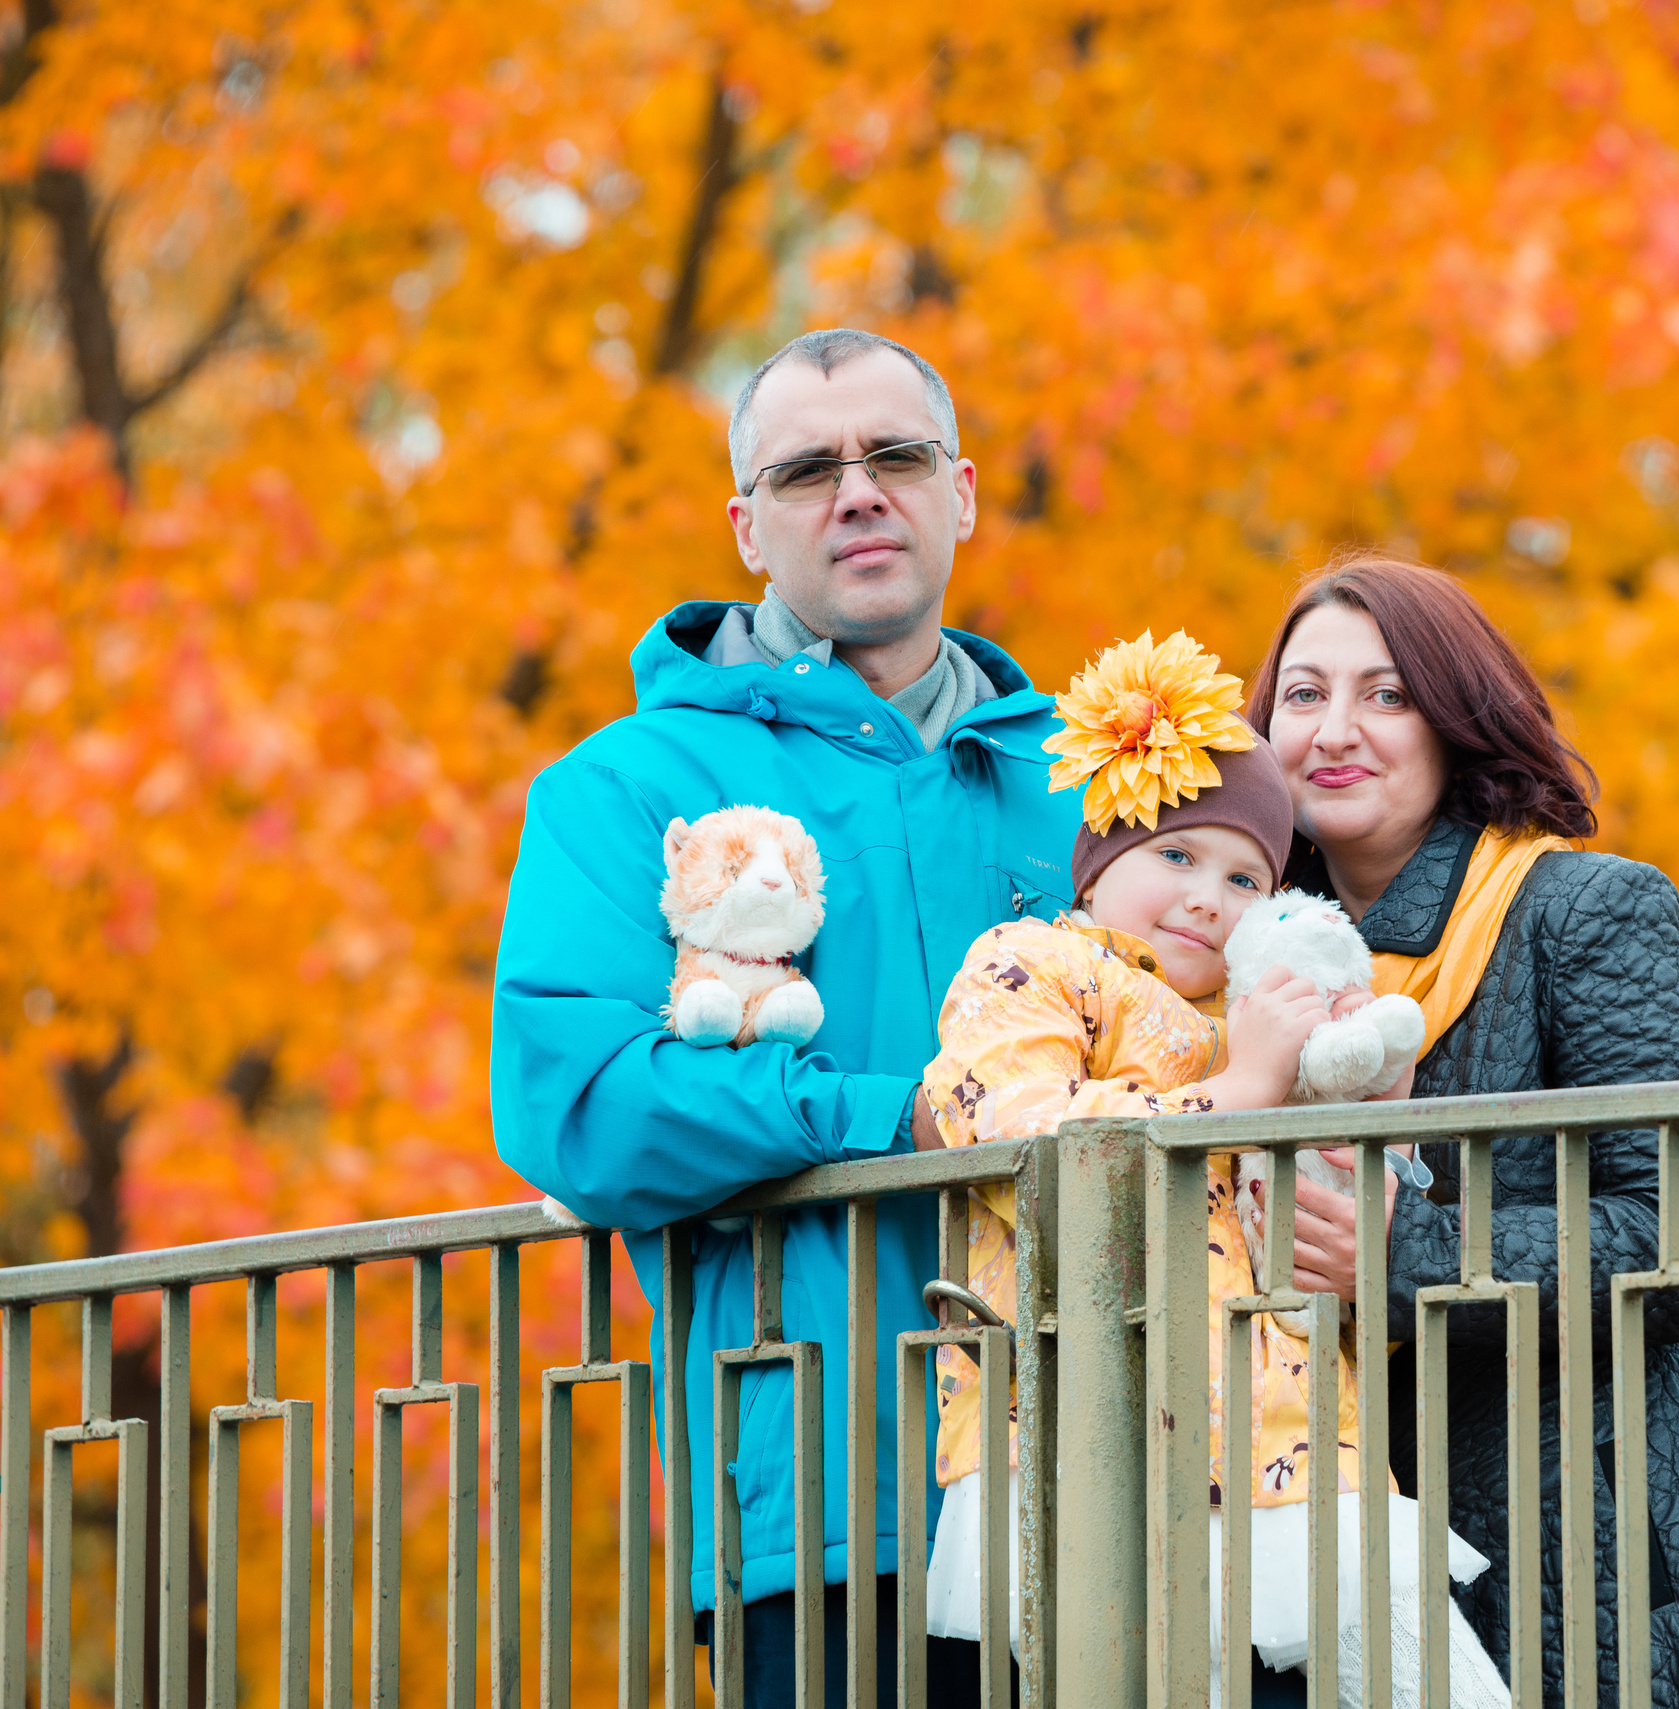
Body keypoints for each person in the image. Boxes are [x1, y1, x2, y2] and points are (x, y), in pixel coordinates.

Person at [491, 328, 1083, 1707]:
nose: (859, 491)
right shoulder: (628, 784)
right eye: (808, 470)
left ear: (962, 494)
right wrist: (893, 1116)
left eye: (896, 456)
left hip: (1121, 1455)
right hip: (828, 1485)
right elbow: (580, 1102)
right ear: (747, 528)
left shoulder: (1093, 780)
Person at [1246, 552, 1679, 1709]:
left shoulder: (1585, 909)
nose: (1335, 729)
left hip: (1610, 1543)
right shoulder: (1236, 966)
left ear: (1456, 720)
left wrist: (1405, 1251)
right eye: (1303, 694)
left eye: (1386, 693)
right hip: (1337, 1535)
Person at [913, 633, 1511, 1709]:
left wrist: (1363, 1101)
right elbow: (1014, 1133)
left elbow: (1317, 1201)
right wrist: (1235, 1093)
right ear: (1100, 861)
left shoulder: (1248, 1016)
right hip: (1098, 1440)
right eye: (1176, 856)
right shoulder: (1032, 962)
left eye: (1245, 878)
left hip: (1293, 1441)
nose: (1207, 898)